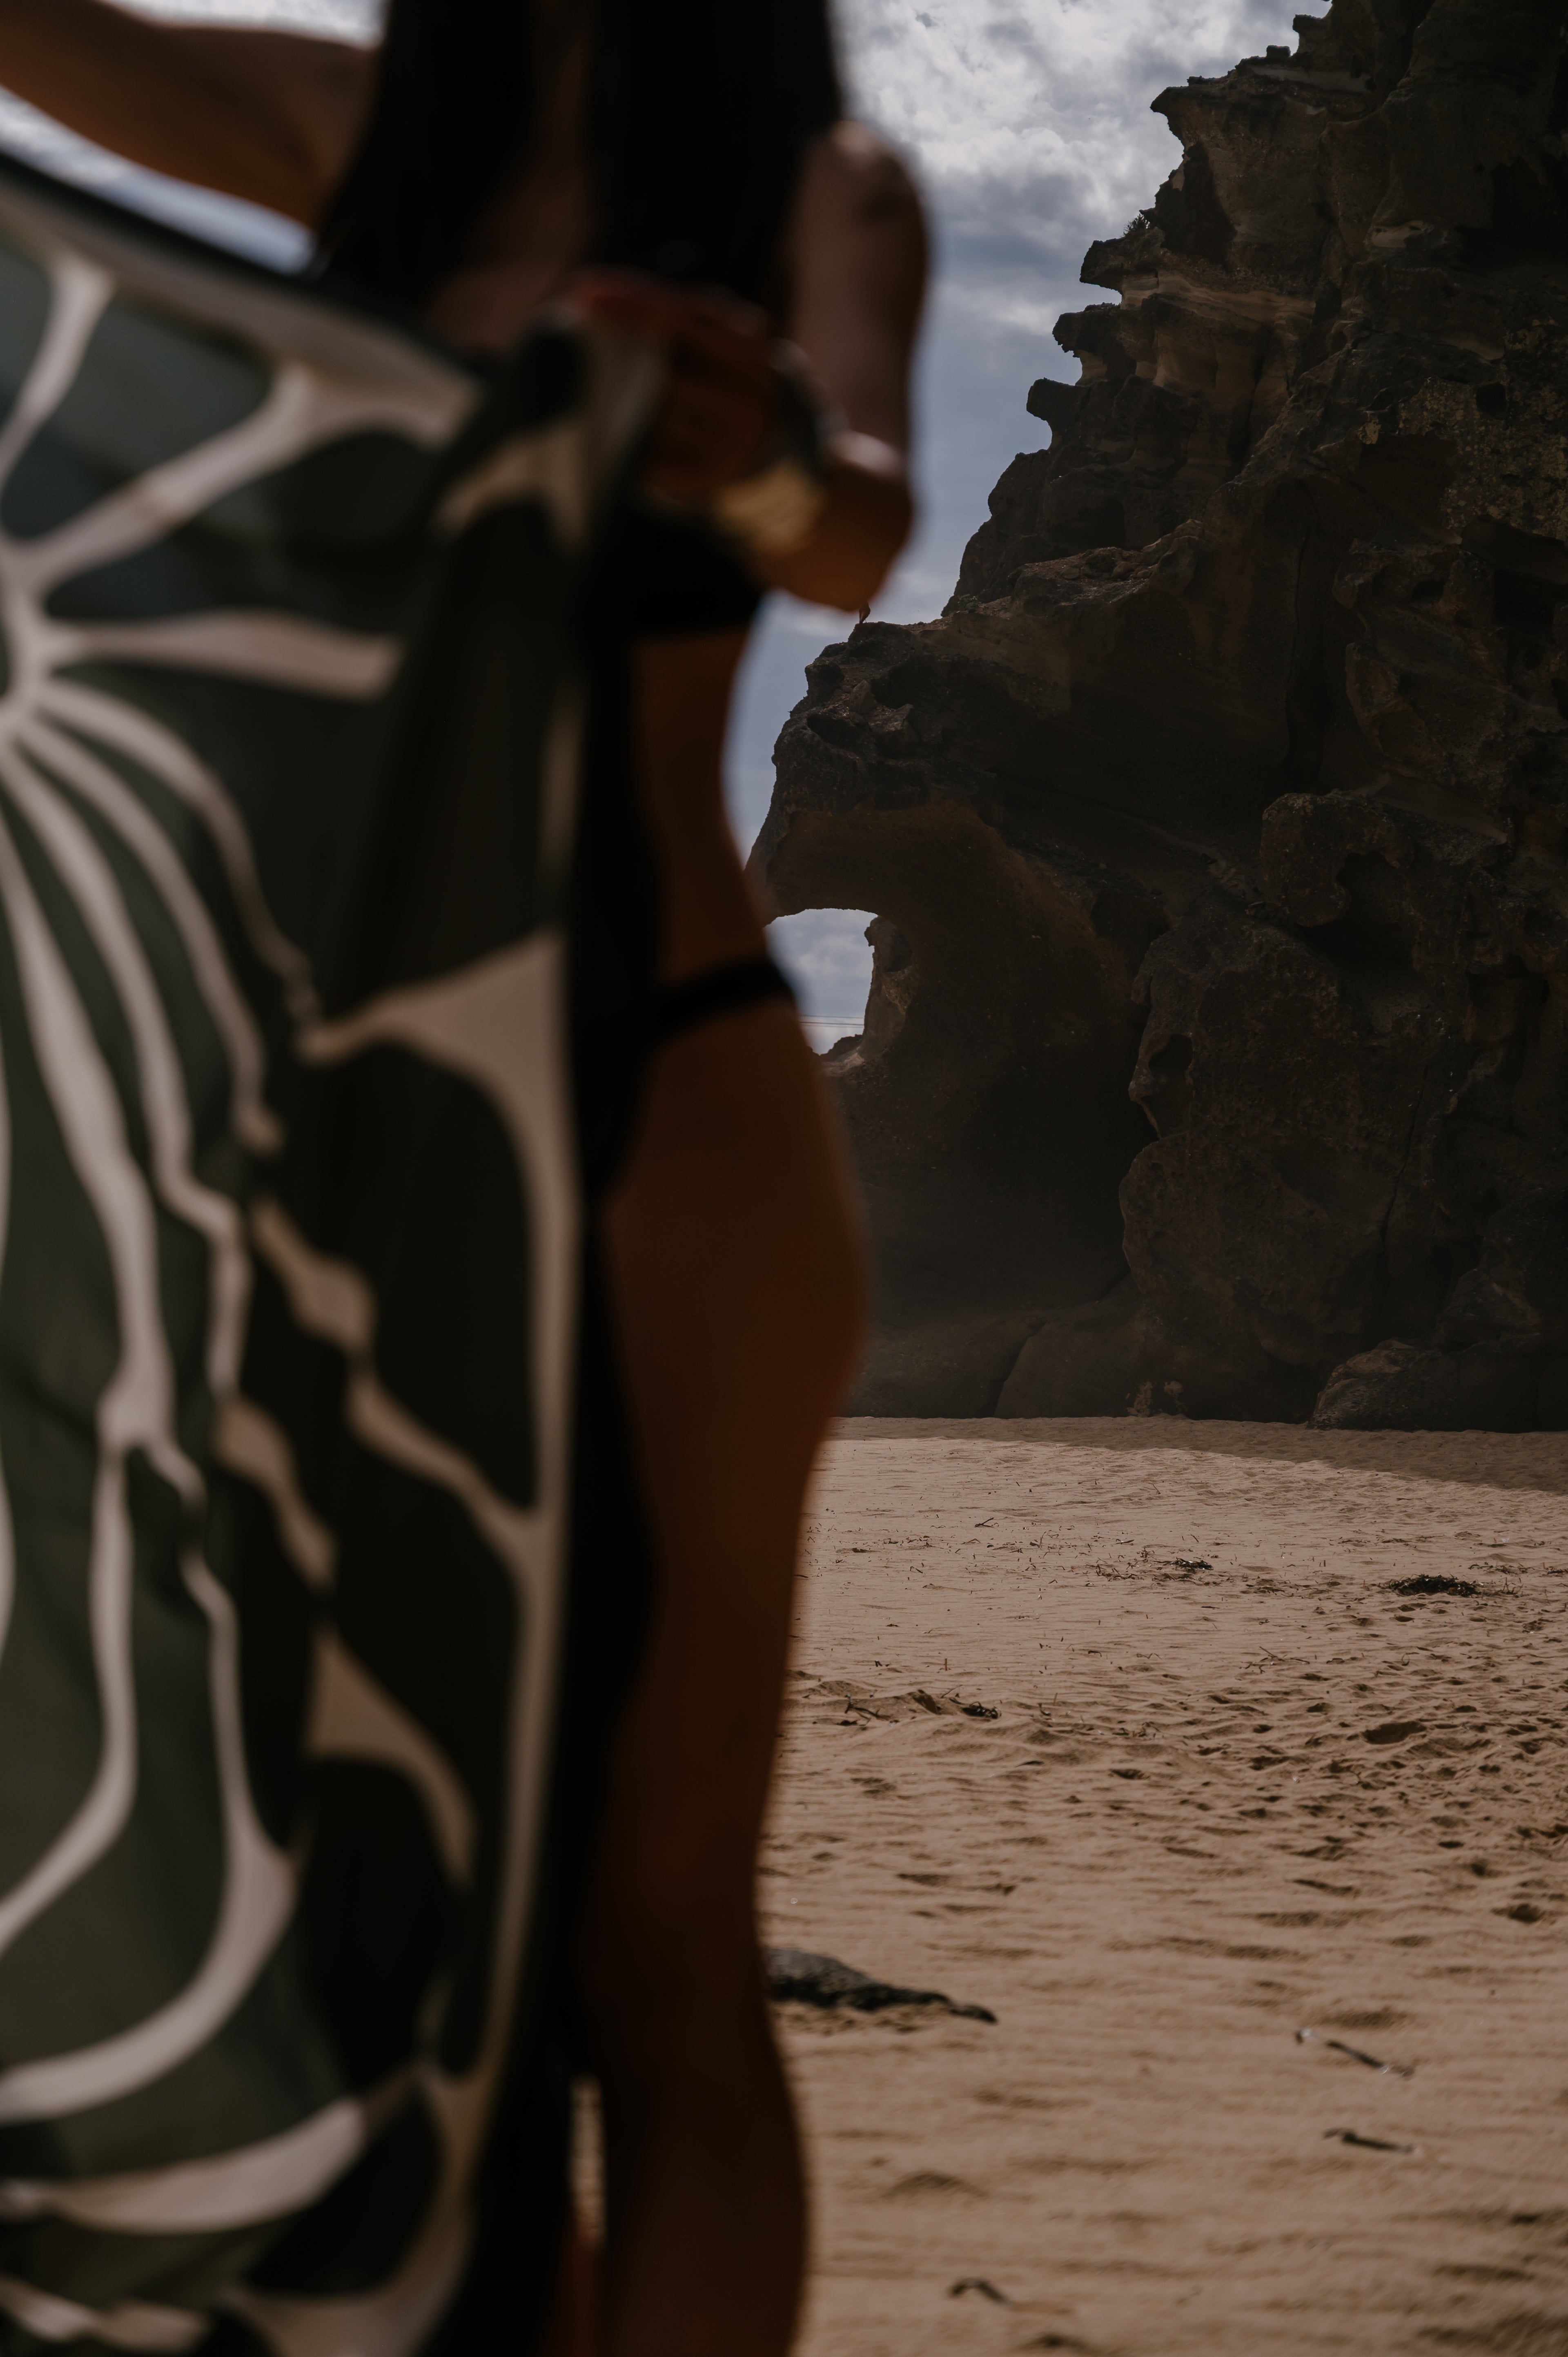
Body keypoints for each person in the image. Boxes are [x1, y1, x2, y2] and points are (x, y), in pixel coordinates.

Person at [0, 2, 925, 2350]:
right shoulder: (351, 134)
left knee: (650, 1944)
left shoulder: (826, 182)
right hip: (337, 1123)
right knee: (355, 1906)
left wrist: (753, 449)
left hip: (666, 1098)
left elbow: (861, 521)